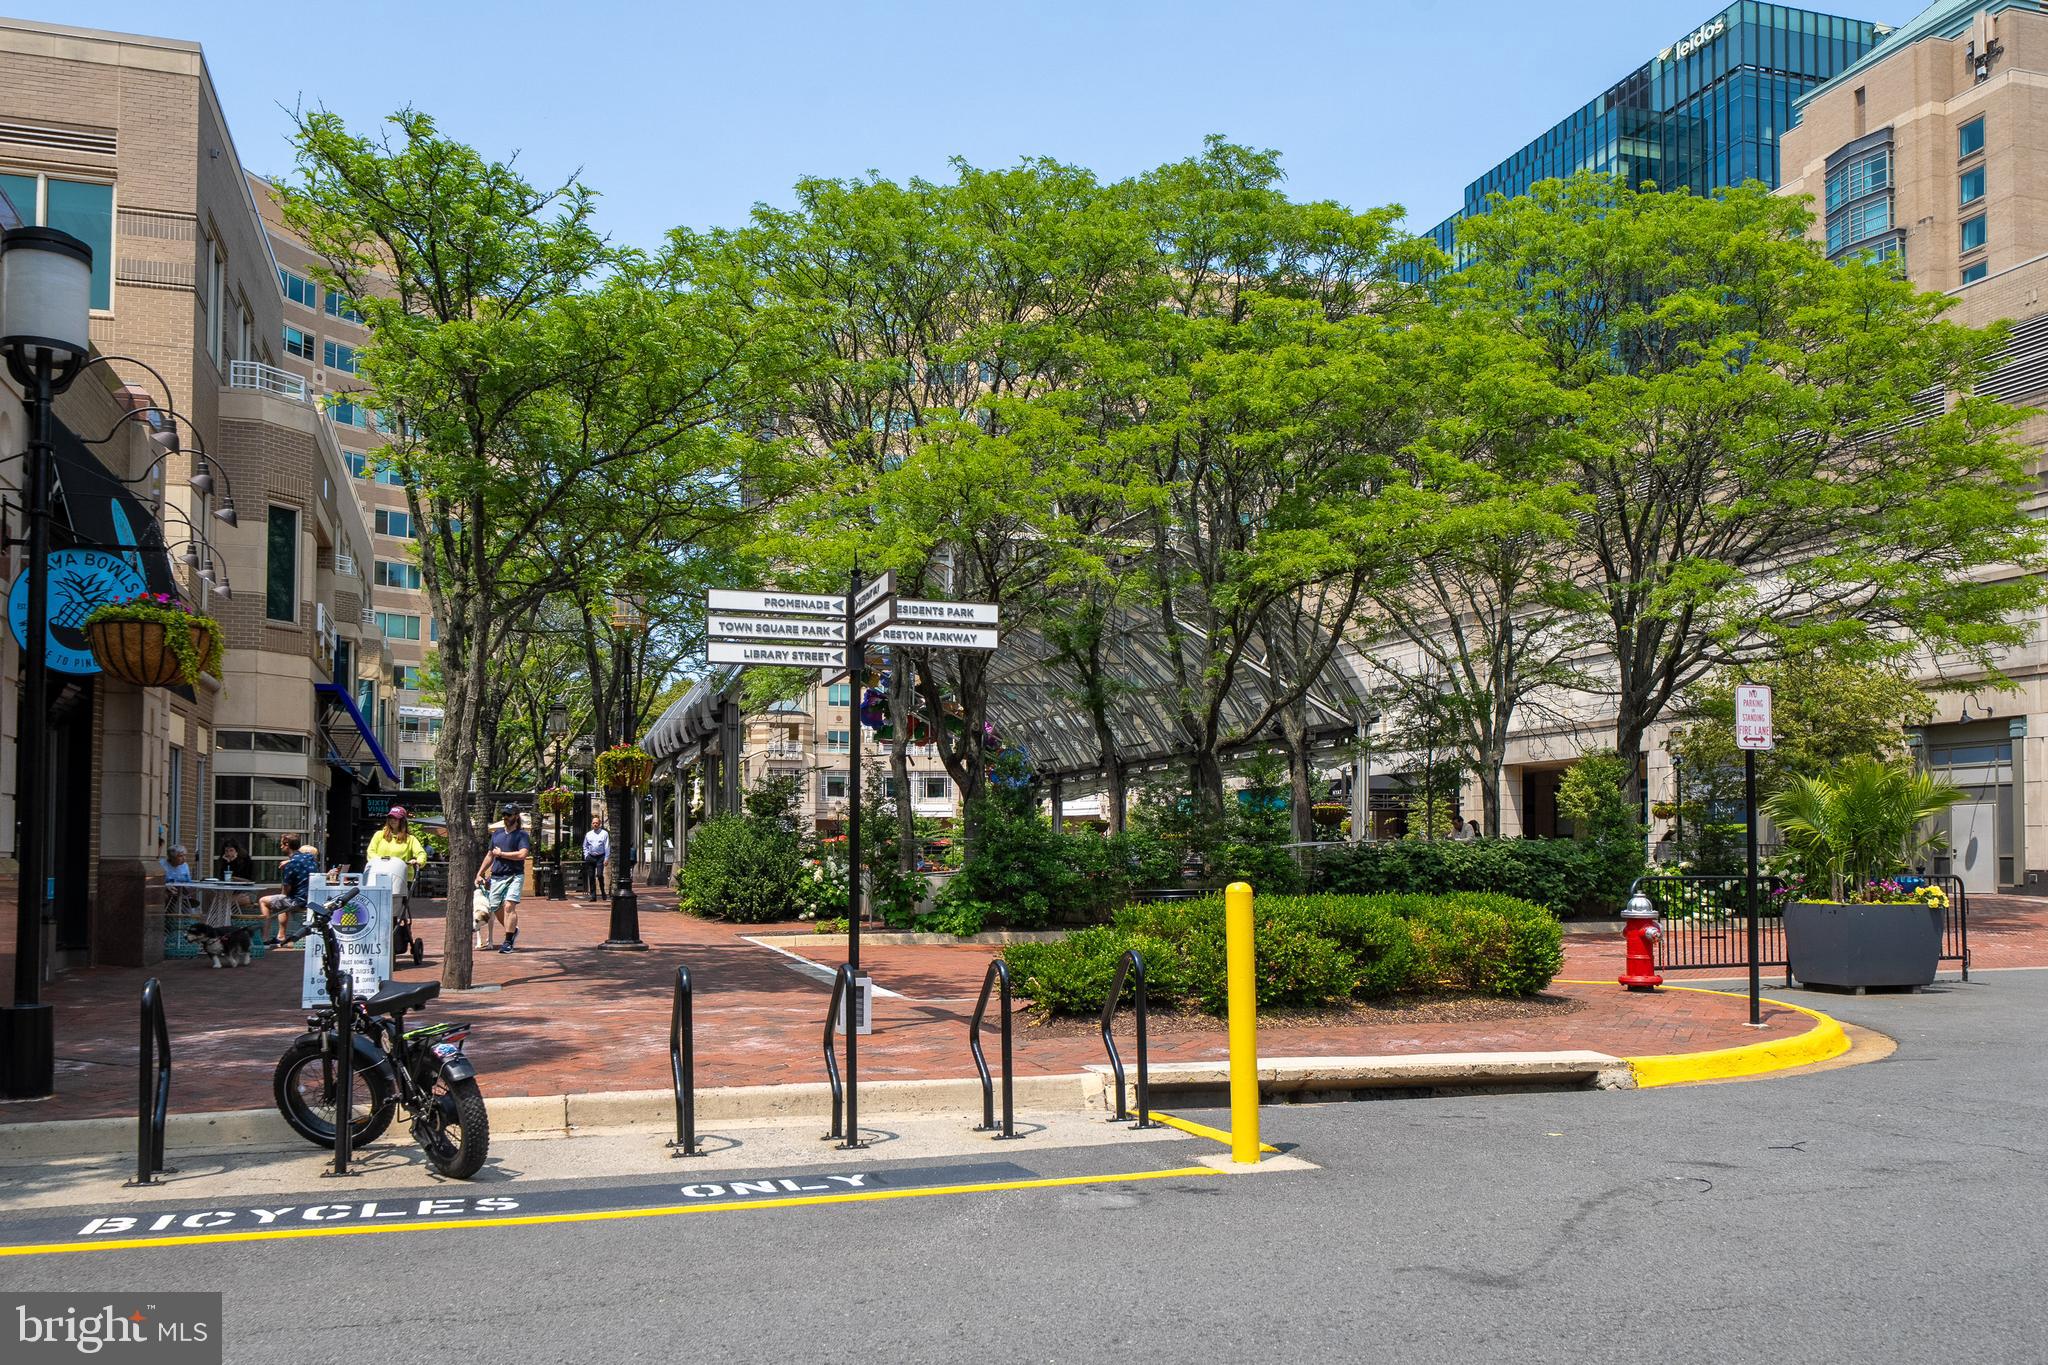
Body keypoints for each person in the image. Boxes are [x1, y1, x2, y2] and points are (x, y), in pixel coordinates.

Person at [476, 804, 531, 953]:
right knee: (495, 906)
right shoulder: (497, 834)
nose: (506, 817)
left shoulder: (522, 835)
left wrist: (502, 854)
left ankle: (508, 941)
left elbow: (522, 854)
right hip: (497, 877)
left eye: (509, 814)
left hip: (514, 875)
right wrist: (479, 873)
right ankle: (512, 930)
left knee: (509, 906)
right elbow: (490, 855)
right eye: (504, 814)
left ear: (516, 816)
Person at [264, 834, 317, 947]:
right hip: (311, 898)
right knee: (282, 901)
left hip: (299, 901)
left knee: (264, 901)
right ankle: (280, 936)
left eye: (281, 845)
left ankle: (265, 938)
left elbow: (286, 888)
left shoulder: (291, 864)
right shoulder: (310, 858)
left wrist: (282, 895)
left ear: (287, 845)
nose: (280, 847)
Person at [366, 806, 428, 883]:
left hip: (402, 878)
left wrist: (418, 861)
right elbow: (370, 852)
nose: (392, 820)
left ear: (402, 821)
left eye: (395, 818)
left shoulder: (410, 839)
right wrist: (380, 862)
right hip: (380, 875)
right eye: (390, 818)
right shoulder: (379, 835)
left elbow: (421, 853)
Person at [581, 814, 610, 902]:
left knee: (600, 875)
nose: (595, 824)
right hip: (590, 857)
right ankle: (593, 896)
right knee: (591, 876)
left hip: (600, 857)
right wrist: (586, 855)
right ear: (592, 824)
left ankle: (603, 892)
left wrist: (606, 858)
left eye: (597, 823)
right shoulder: (588, 834)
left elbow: (607, 846)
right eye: (593, 823)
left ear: (600, 823)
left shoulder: (604, 833)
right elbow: (585, 846)